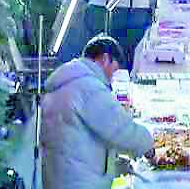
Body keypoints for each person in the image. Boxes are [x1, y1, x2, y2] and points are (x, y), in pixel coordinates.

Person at [39, 36, 155, 189]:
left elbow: (79, 139)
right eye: (113, 71)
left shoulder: (69, 81)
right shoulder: (88, 86)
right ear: (105, 59)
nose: (111, 78)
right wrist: (148, 146)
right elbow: (120, 128)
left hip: (62, 178)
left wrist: (113, 165)